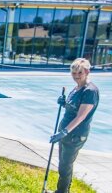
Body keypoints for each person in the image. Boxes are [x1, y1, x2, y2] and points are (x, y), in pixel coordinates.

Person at [49, 58, 99, 193]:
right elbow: (73, 109)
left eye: (79, 73)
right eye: (73, 73)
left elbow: (81, 116)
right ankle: (61, 190)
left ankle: (62, 192)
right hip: (66, 132)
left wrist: (64, 132)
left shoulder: (90, 91)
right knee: (62, 165)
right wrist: (64, 103)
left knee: (65, 166)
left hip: (75, 134)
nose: (76, 76)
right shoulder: (77, 88)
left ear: (87, 71)